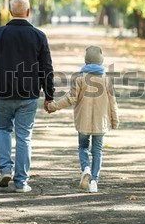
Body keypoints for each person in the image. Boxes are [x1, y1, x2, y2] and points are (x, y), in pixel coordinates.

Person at [0, 0, 54, 193]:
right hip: (28, 95)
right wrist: (49, 95)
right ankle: (21, 182)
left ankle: (5, 169)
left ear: (10, 12)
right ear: (28, 12)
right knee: (24, 137)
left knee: (2, 130)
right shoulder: (39, 36)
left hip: (3, 92)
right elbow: (46, 68)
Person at [47, 45, 119, 193]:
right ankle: (94, 182)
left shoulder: (79, 78)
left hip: (83, 121)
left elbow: (70, 98)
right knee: (97, 150)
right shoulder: (106, 80)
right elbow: (113, 102)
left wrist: (53, 106)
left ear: (86, 60)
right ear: (101, 60)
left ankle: (86, 168)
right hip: (101, 122)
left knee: (83, 147)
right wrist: (115, 120)